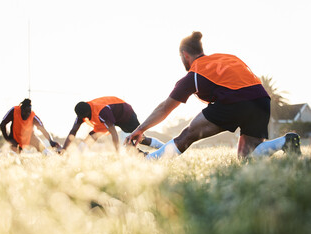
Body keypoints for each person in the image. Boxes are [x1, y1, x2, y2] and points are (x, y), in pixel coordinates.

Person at [125, 31, 301, 159]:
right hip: (261, 99)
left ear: (185, 55)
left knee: (188, 134)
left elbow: (164, 108)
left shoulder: (196, 72)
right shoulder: (226, 57)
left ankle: (147, 161)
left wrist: (139, 130)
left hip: (235, 101)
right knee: (246, 157)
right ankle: (285, 142)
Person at [62, 96, 164, 152]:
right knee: (91, 137)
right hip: (107, 119)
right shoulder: (82, 113)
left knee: (138, 139)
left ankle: (163, 147)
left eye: (86, 117)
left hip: (125, 114)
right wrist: (63, 149)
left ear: (88, 113)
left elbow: (113, 133)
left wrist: (117, 153)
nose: (85, 119)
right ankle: (78, 157)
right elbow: (73, 132)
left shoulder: (102, 111)